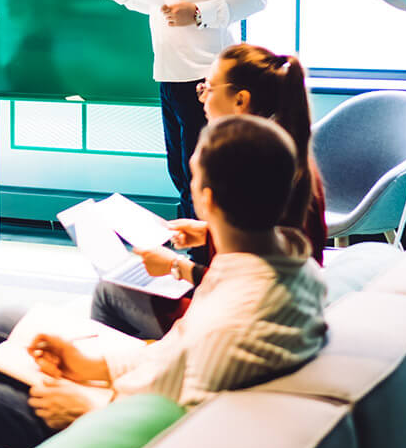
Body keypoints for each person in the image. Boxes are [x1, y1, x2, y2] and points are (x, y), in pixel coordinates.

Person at [0, 115, 326, 448]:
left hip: (108, 431)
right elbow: (171, 357)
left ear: (207, 200)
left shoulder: (229, 318)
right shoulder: (284, 266)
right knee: (12, 323)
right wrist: (93, 366)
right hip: (129, 392)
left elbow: (179, 426)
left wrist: (86, 403)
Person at [91, 42, 329, 340]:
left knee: (109, 291)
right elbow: (268, 243)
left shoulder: (253, 166)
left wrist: (178, 267)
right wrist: (207, 232)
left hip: (238, 319)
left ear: (240, 100)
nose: (201, 95)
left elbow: (252, 285)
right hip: (261, 310)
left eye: (209, 87)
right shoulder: (283, 154)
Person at [101, 0, 266, 220]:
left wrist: (198, 13)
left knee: (207, 180)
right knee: (180, 175)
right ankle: (194, 262)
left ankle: (205, 265)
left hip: (210, 80)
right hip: (169, 75)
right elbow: (161, 5)